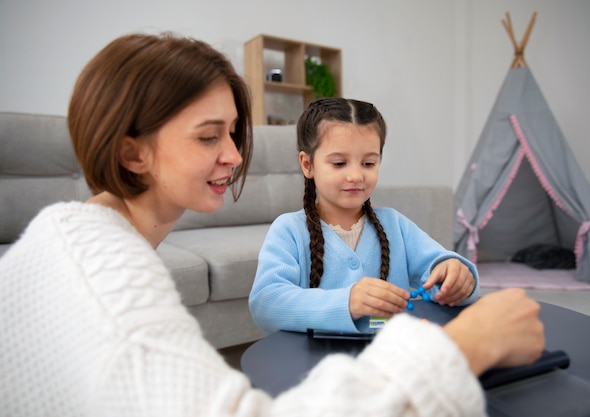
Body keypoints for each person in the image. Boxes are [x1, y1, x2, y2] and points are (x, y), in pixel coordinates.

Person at [0, 32, 544, 417]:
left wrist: (457, 270)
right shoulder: (111, 287)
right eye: (209, 136)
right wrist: (462, 349)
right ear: (132, 153)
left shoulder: (71, 239)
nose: (236, 156)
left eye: (235, 134)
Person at [249, 98, 480, 334]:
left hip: (392, 356)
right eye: (339, 163)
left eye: (368, 163)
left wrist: (456, 275)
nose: (356, 175)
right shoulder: (289, 230)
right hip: (317, 363)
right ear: (307, 164)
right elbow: (266, 303)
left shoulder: (395, 225)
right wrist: (347, 303)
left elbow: (438, 268)